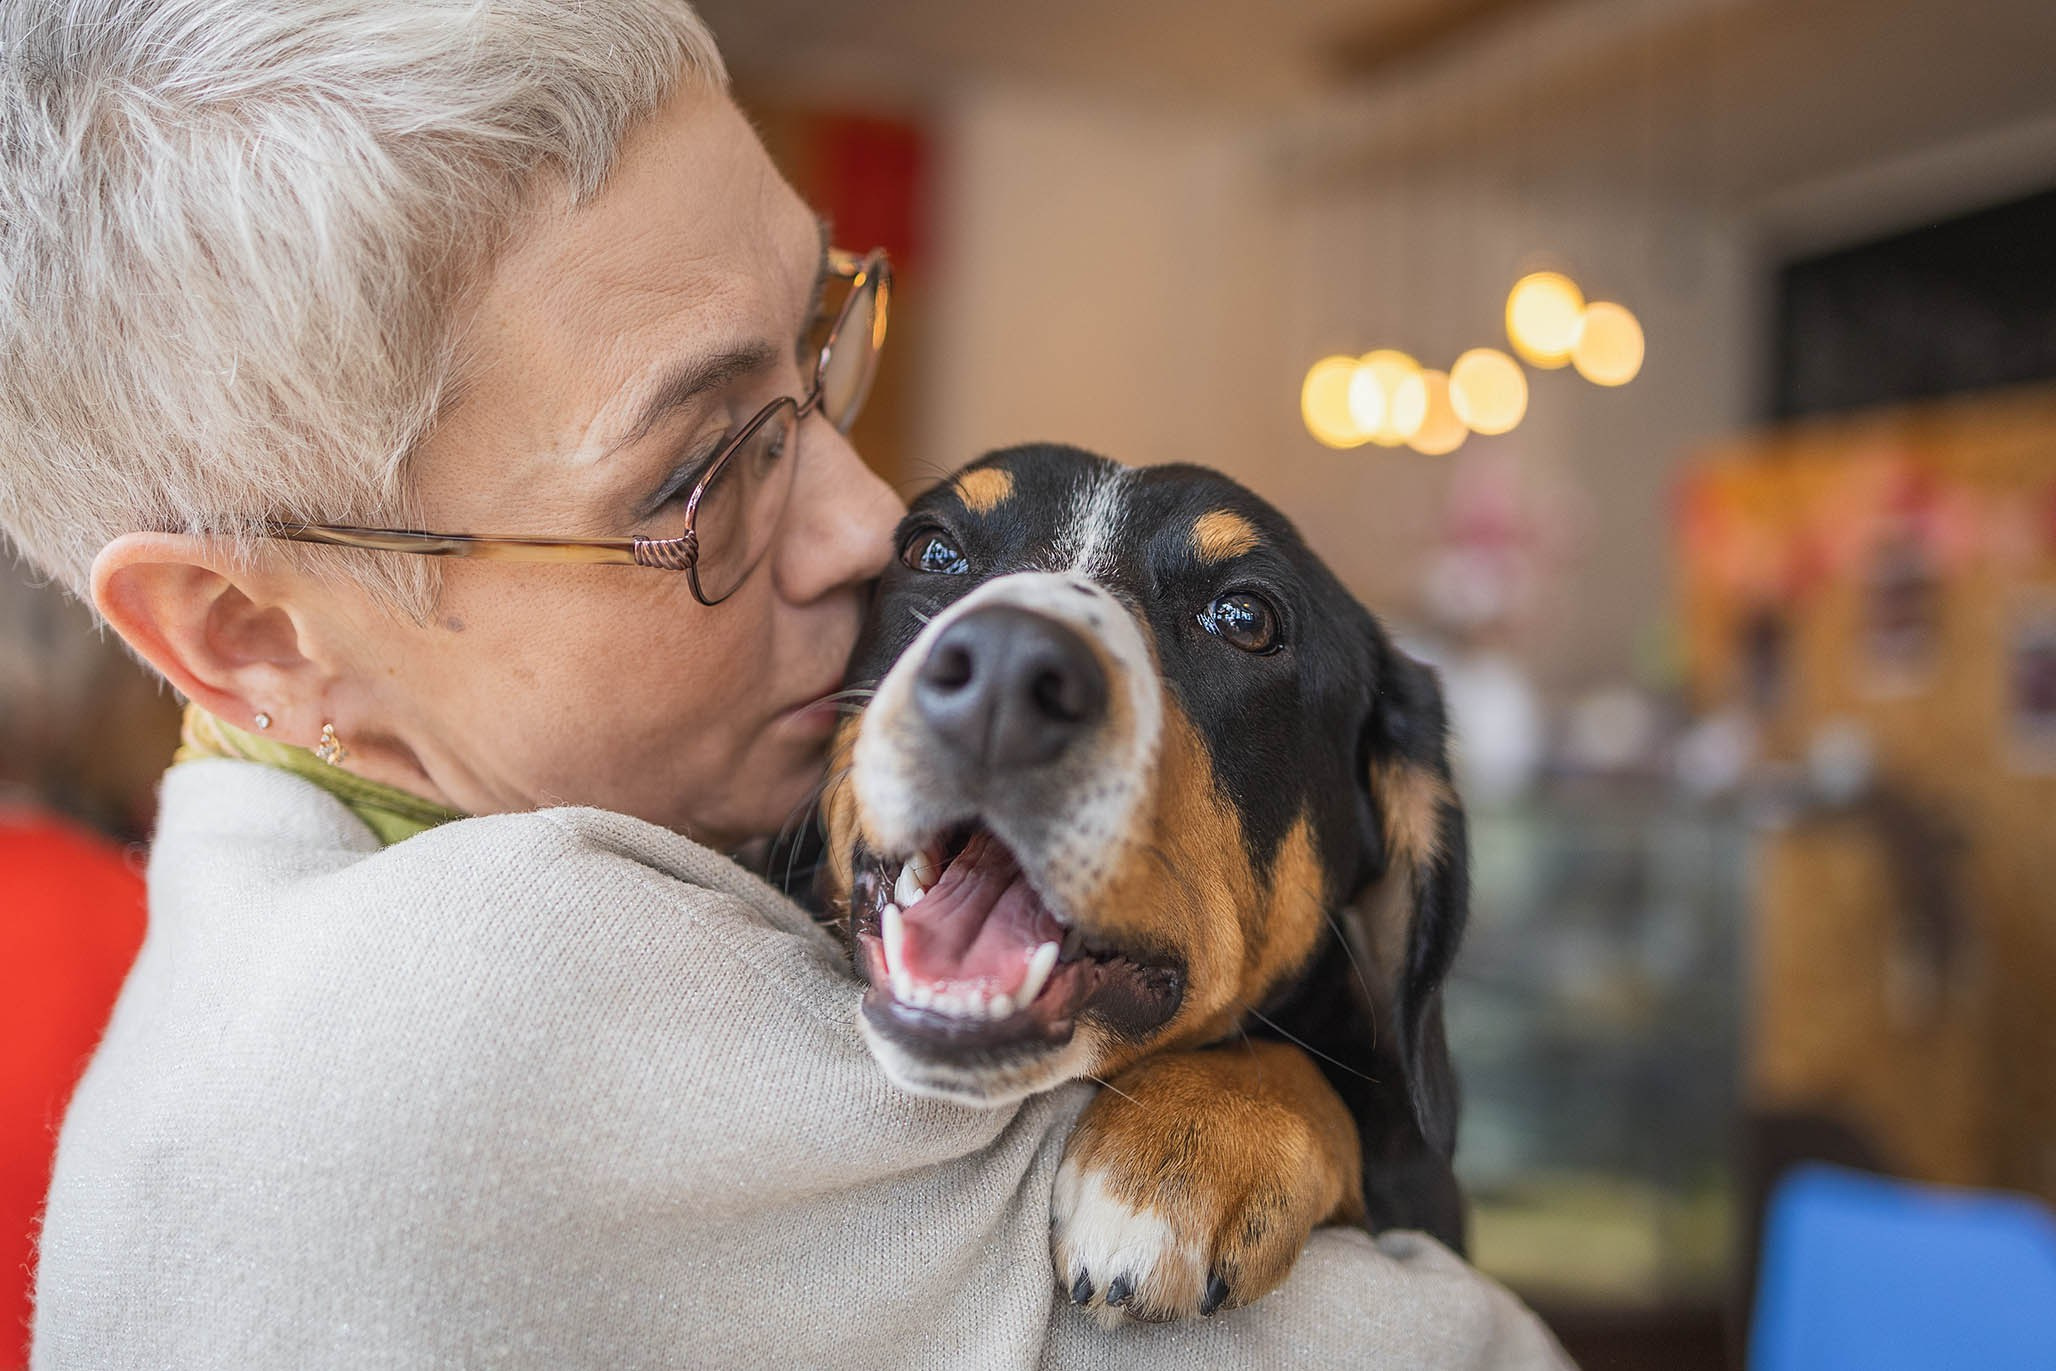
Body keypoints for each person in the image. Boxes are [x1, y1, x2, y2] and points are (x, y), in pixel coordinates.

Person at [0, 3, 1570, 1367]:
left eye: (818, 350)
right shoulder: (468, 1024)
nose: (873, 529)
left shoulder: (280, 935)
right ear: (255, 635)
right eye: (696, 470)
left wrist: (1289, 1092)